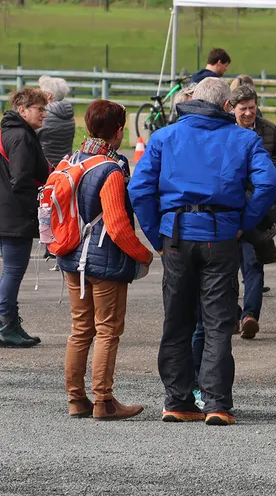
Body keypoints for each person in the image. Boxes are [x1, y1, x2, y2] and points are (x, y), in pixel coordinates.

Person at [129, 78, 276, 425]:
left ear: (193, 100)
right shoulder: (243, 137)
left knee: (177, 321)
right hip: (220, 236)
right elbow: (268, 182)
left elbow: (139, 189)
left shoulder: (165, 136)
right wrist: (244, 221)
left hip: (177, 236)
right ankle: (217, 403)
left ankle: (178, 400)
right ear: (227, 106)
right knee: (217, 323)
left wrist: (158, 235)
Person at [58, 100, 155, 420]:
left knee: (81, 329)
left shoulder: (73, 159)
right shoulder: (110, 169)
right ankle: (104, 400)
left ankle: (76, 399)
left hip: (72, 256)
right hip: (104, 263)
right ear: (117, 131)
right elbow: (117, 225)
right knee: (108, 330)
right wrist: (144, 255)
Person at [228, 84, 276, 339]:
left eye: (252, 107)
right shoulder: (224, 130)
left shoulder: (269, 130)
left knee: (253, 265)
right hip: (227, 208)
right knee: (225, 267)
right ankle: (231, 314)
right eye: (243, 109)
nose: (249, 113)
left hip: (256, 210)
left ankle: (250, 315)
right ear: (232, 109)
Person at [0, 88, 50, 347]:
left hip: (7, 212)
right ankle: (6, 324)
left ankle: (7, 322)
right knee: (12, 272)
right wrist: (36, 211)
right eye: (39, 109)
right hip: (15, 215)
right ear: (22, 109)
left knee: (9, 272)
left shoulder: (10, 132)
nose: (44, 114)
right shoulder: (20, 137)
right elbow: (20, 180)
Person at [37, 75, 75, 167]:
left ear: (48, 95)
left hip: (46, 165)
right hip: (64, 165)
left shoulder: (45, 117)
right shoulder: (69, 115)